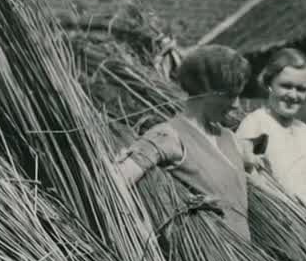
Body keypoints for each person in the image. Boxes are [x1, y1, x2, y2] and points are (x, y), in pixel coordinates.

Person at [113, 44, 263, 241]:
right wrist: (142, 231)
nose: (236, 104)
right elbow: (114, 181)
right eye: (230, 95)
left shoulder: (229, 138)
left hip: (246, 259)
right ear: (206, 90)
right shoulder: (168, 136)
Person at [236, 47, 306, 213]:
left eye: (301, 89)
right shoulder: (256, 123)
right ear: (269, 84)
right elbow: (242, 169)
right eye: (286, 86)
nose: (292, 95)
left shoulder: (305, 132)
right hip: (273, 218)